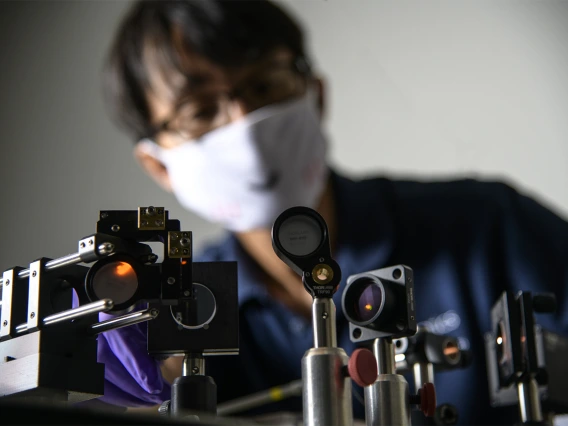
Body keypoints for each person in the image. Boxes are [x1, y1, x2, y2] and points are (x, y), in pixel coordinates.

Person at [97, 1, 568, 424]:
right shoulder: (183, 314)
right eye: (199, 110)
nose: (244, 125)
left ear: (316, 95)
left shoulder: (488, 226)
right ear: (159, 164)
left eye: (263, 85)